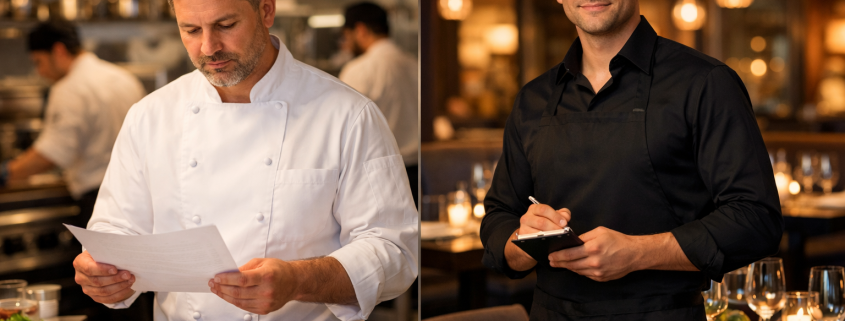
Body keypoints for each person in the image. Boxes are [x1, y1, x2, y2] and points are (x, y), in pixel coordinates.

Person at [69, 0, 419, 318]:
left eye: (225, 25)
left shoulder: (347, 114)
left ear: (266, 11)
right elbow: (115, 230)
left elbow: (395, 251)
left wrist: (298, 280)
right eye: (191, 30)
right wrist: (103, 274)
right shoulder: (149, 116)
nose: (208, 47)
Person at [479, 0, 783, 320]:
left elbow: (756, 219)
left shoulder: (706, 82)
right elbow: (499, 217)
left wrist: (638, 254)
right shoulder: (532, 98)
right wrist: (525, 243)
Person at [5, 21, 145, 225]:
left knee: (98, 257)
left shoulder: (68, 89)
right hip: (138, 195)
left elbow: (51, 154)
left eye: (38, 62)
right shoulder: (123, 78)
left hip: (99, 198)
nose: (40, 72)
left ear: (59, 51)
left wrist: (8, 173)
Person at [339, 2, 419, 206]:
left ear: (360, 30)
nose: (346, 44)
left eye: (347, 36)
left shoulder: (358, 70)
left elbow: (343, 131)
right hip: (419, 172)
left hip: (382, 175)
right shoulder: (414, 65)